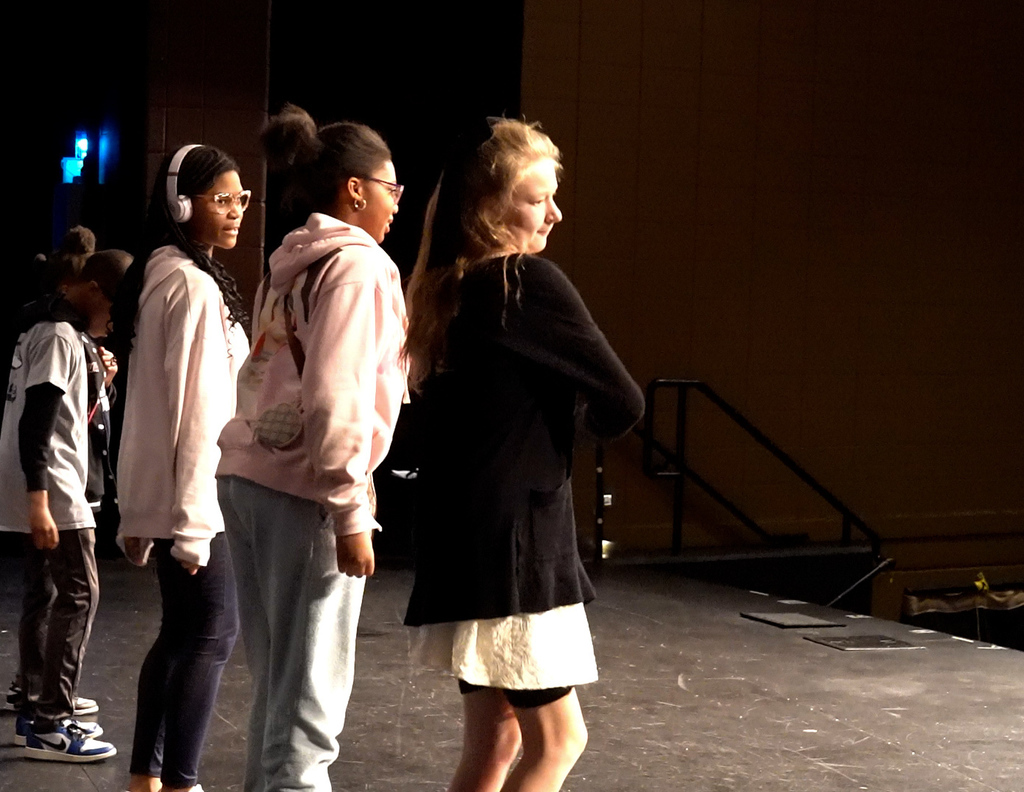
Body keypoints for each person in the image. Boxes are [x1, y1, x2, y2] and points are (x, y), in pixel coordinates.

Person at [403, 118, 645, 792]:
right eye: (538, 198)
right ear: (488, 208)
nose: (556, 213)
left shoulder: (444, 288)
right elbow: (622, 402)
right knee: (559, 741)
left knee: (495, 740)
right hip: (513, 544)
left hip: (462, 538)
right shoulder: (522, 282)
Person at [216, 103, 407, 792]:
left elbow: (260, 376)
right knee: (307, 708)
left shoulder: (291, 262)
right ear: (355, 188)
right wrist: (353, 510)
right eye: (391, 188)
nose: (396, 204)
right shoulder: (359, 268)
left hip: (248, 476)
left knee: (277, 688)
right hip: (306, 490)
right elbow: (337, 394)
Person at [113, 143, 250, 792]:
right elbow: (199, 411)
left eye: (240, 199)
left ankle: (148, 776)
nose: (234, 212)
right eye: (221, 199)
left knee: (181, 632)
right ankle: (182, 781)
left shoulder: (163, 273)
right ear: (181, 204)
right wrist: (195, 523)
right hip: (197, 497)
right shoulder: (192, 286)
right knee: (211, 635)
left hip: (171, 493)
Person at [0, 243, 130, 762]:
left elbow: (71, 408)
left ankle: (35, 695)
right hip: (53, 484)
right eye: (115, 306)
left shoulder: (54, 331)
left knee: (47, 591)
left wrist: (107, 380)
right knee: (80, 593)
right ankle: (50, 720)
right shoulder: (56, 335)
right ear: (93, 290)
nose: (117, 319)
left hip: (47, 482)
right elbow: (39, 419)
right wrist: (39, 498)